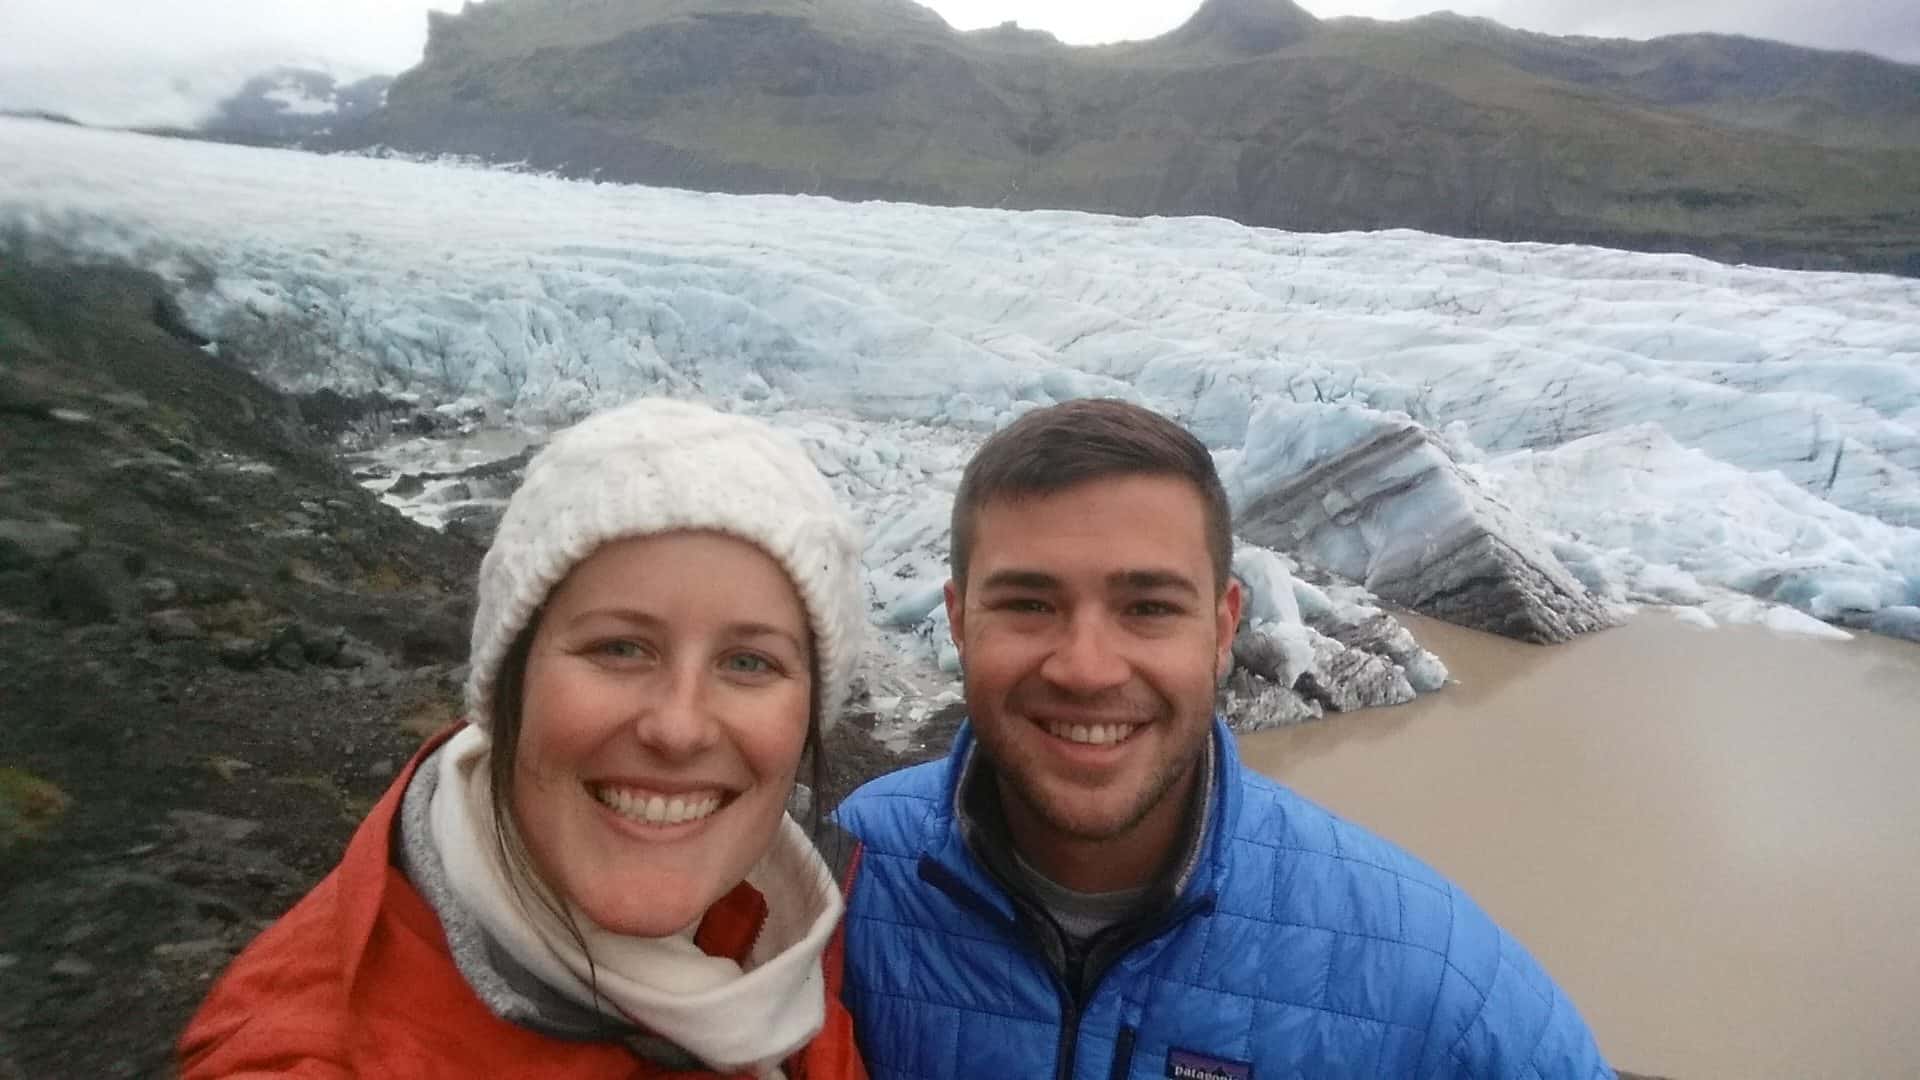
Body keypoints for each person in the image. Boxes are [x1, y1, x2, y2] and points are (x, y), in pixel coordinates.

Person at [834, 398, 1613, 1079]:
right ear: (960, 621)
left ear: (1223, 627)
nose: (1086, 668)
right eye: (1030, 604)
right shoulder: (843, 883)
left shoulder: (1424, 971)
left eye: (1149, 608)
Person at [179, 398, 871, 1079]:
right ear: (507, 684)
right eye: (620, 647)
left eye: (749, 662)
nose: (679, 726)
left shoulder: (776, 935)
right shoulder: (318, 1057)